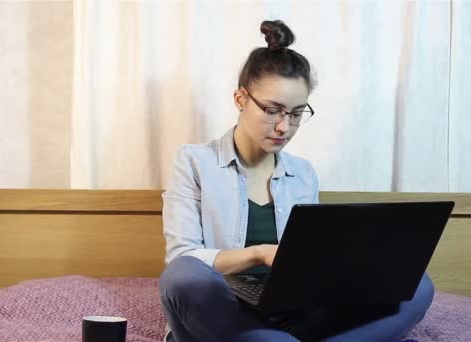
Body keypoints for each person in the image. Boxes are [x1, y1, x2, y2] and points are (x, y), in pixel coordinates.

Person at [158, 20, 433, 342]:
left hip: (294, 313)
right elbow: (183, 256)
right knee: (182, 276)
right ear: (240, 99)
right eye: (273, 110)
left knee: (418, 283)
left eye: (297, 113)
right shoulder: (194, 161)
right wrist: (259, 254)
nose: (283, 127)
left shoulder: (302, 173)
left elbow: (309, 263)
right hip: (225, 309)